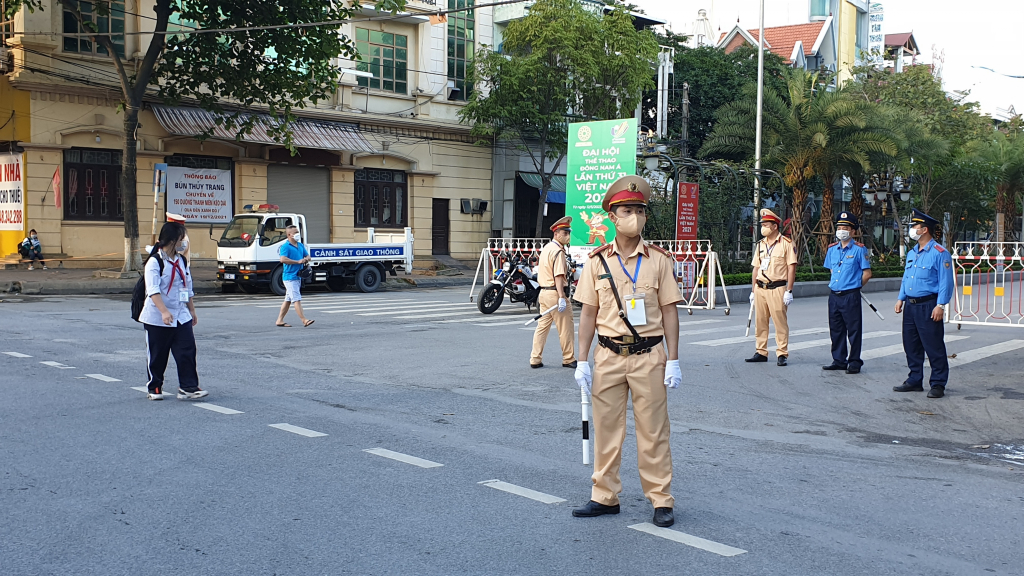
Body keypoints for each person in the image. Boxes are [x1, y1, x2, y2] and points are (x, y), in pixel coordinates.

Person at [572, 176, 683, 529]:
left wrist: (674, 359)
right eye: (626, 210)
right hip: (607, 355)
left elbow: (669, 311)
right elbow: (587, 313)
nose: (633, 216)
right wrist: (581, 359)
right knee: (606, 430)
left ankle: (661, 499)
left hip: (649, 356)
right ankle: (604, 496)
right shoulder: (596, 262)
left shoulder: (659, 261)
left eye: (639, 210)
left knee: (653, 431)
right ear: (612, 216)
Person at [139, 222, 207, 401]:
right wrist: (164, 312)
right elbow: (152, 290)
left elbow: (187, 286)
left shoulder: (181, 260)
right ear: (172, 240)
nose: (183, 242)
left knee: (187, 350)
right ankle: (154, 386)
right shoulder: (155, 262)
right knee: (158, 354)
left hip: (180, 314)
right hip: (157, 316)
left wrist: (191, 310)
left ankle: (188, 387)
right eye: (181, 239)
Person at [894, 209, 954, 398]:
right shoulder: (912, 253)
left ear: (924, 229)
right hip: (911, 306)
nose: (912, 229)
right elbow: (907, 277)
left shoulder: (939, 253)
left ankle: (938, 383)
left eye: (915, 226)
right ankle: (914, 379)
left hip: (929, 305)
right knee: (911, 344)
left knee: (933, 345)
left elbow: (946, 282)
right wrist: (900, 298)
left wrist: (941, 305)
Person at [822, 212, 872, 374]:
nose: (841, 231)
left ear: (853, 231)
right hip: (834, 295)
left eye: (845, 228)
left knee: (854, 330)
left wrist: (855, 286)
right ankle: (839, 360)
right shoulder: (832, 249)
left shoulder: (859, 250)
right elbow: (832, 269)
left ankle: (855, 361)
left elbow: (867, 273)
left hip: (851, 295)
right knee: (836, 329)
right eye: (839, 227)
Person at [746, 209, 797, 366]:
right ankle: (761, 351)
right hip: (761, 288)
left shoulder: (787, 244)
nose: (763, 227)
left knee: (779, 322)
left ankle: (782, 353)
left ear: (775, 226)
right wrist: (753, 289)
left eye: (766, 224)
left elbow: (791, 268)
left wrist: (789, 290)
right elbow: (756, 267)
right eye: (762, 225)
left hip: (778, 288)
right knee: (760, 321)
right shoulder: (761, 245)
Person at [530, 216, 577, 369]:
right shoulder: (558, 252)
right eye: (565, 233)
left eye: (568, 233)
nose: (567, 236)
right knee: (566, 328)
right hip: (555, 294)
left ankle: (535, 358)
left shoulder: (547, 248)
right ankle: (568, 358)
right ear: (556, 234)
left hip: (543, 293)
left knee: (542, 328)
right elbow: (558, 276)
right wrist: (562, 297)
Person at [276, 225, 314, 328]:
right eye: (295, 232)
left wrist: (306, 259)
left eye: (298, 232)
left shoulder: (300, 245)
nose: (298, 234)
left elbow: (308, 256)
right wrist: (297, 261)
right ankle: (304, 320)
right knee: (296, 299)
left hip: (298, 276)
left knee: (288, 300)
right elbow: (282, 259)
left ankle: (279, 320)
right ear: (289, 235)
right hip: (289, 277)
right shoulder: (285, 246)